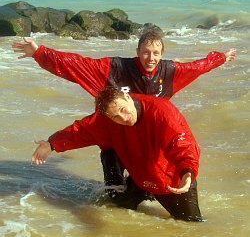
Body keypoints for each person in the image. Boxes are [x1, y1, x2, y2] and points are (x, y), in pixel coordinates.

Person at [12, 31, 236, 198]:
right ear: (137, 52)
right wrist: (39, 53)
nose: (151, 58)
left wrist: (221, 59)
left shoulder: (168, 72)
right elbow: (77, 65)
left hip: (147, 138)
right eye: (146, 52)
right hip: (116, 137)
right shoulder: (116, 69)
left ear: (162, 54)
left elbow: (198, 66)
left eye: (156, 53)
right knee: (115, 193)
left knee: (153, 183)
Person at [32, 86, 203, 222]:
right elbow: (81, 131)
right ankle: (116, 183)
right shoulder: (106, 120)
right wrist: (51, 144)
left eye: (123, 109)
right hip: (140, 178)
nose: (123, 118)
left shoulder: (162, 111)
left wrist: (187, 173)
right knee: (117, 204)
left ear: (128, 97)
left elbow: (181, 142)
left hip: (172, 182)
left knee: (190, 226)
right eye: (115, 116)